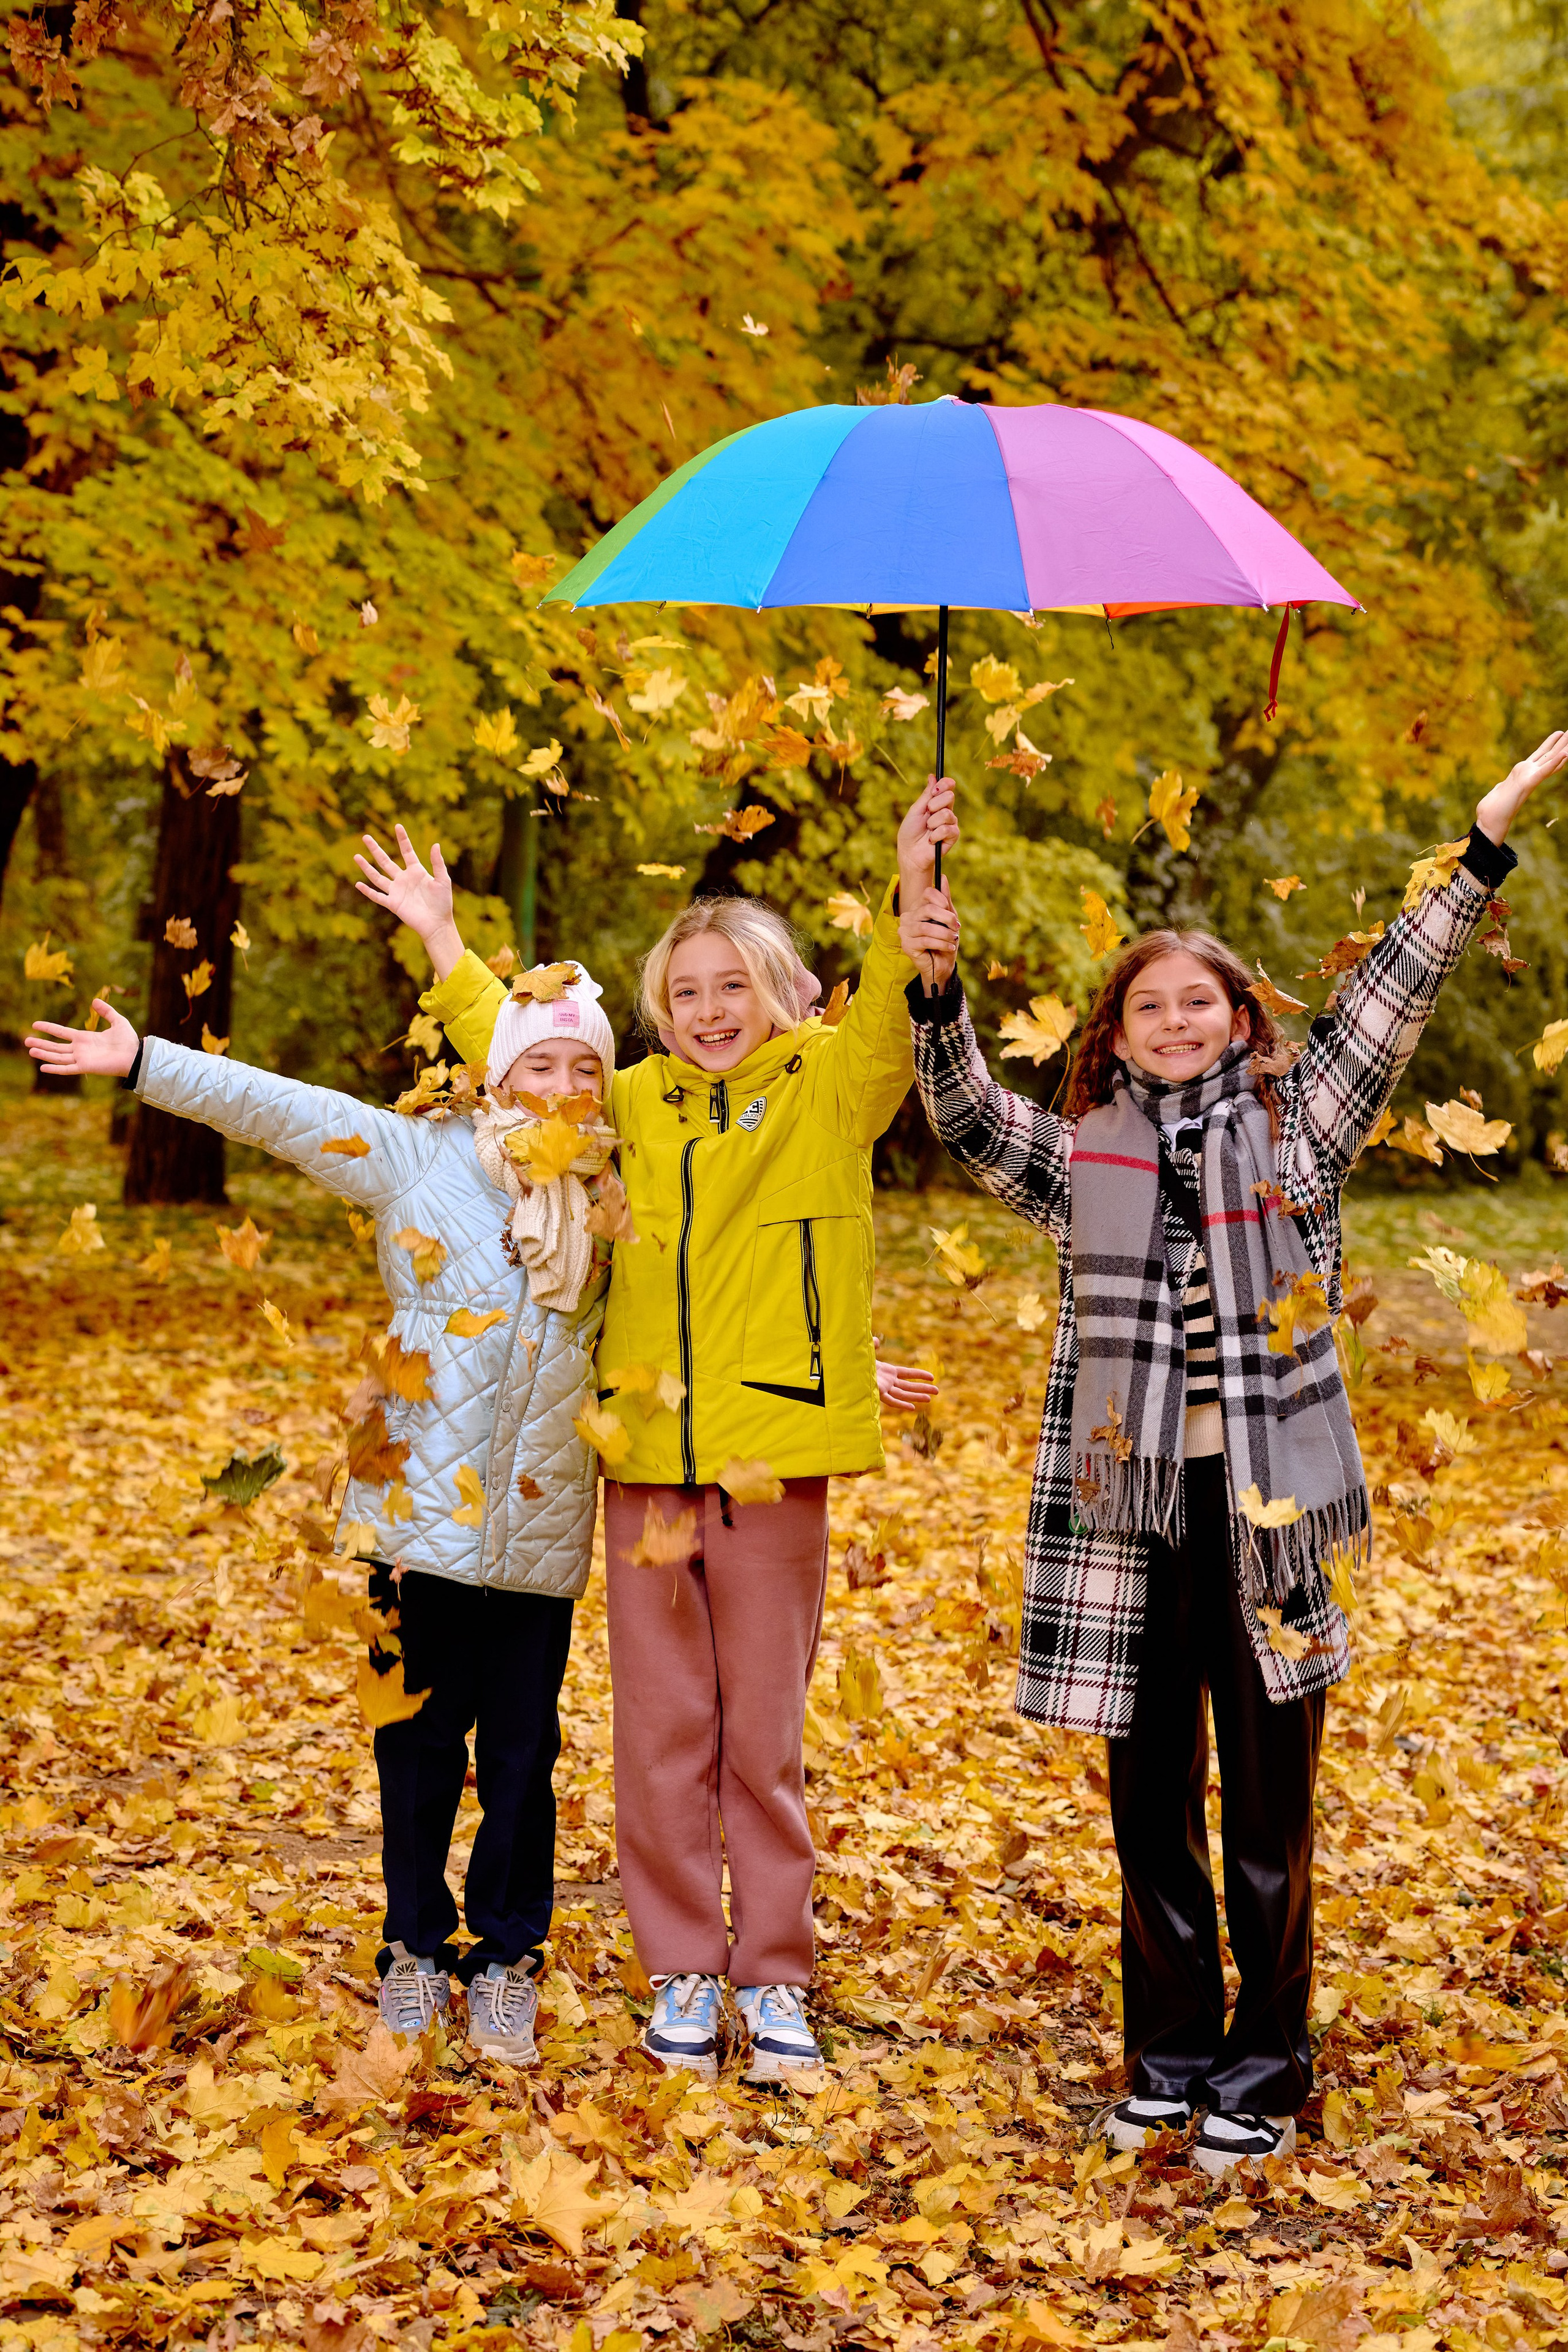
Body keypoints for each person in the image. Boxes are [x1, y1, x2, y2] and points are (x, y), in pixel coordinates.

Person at [897, 731, 1567, 2173]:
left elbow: (1391, 1002)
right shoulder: (1083, 1156)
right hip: (1125, 1519)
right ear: (1115, 1029)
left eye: (1198, 1001)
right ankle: (1166, 2056)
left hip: (1262, 1515)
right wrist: (930, 971)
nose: (1177, 1021)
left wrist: (1484, 834)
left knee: (1266, 1811)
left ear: (1237, 1018)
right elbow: (960, 1114)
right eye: (1150, 1005)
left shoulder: (1298, 1129)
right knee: (1149, 1810)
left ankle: (1262, 2067)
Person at [353, 782, 954, 2082]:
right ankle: (682, 1967)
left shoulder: (830, 1091)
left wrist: (912, 884)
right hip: (643, 1467)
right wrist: (447, 947)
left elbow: (893, 1015)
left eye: (733, 985)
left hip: (774, 1459)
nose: (709, 1011)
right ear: (656, 1011)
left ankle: (775, 1975)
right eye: (684, 992)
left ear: (788, 992)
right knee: (663, 1730)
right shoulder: (625, 1105)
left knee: (764, 1736)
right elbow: (523, 1054)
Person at [28, 960, 621, 2069]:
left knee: (525, 1755)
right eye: (539, 1061)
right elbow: (282, 1110)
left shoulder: (615, 1197)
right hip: (414, 1517)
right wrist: (145, 1062)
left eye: (586, 1066)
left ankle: (504, 1961)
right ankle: (412, 1950)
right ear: (499, 1075)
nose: (563, 1084)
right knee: (418, 1746)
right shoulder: (423, 1158)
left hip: (541, 1530)